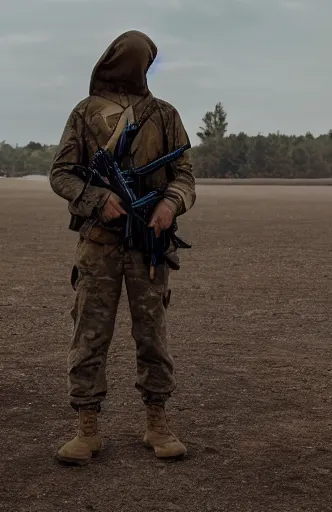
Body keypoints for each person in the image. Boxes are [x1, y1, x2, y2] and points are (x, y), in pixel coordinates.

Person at [49, 30, 196, 466]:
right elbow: (61, 174)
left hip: (148, 246)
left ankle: (157, 424)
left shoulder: (164, 115)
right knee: (89, 336)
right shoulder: (84, 113)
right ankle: (87, 429)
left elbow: (184, 175)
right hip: (98, 246)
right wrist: (98, 198)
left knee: (152, 336)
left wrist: (170, 204)